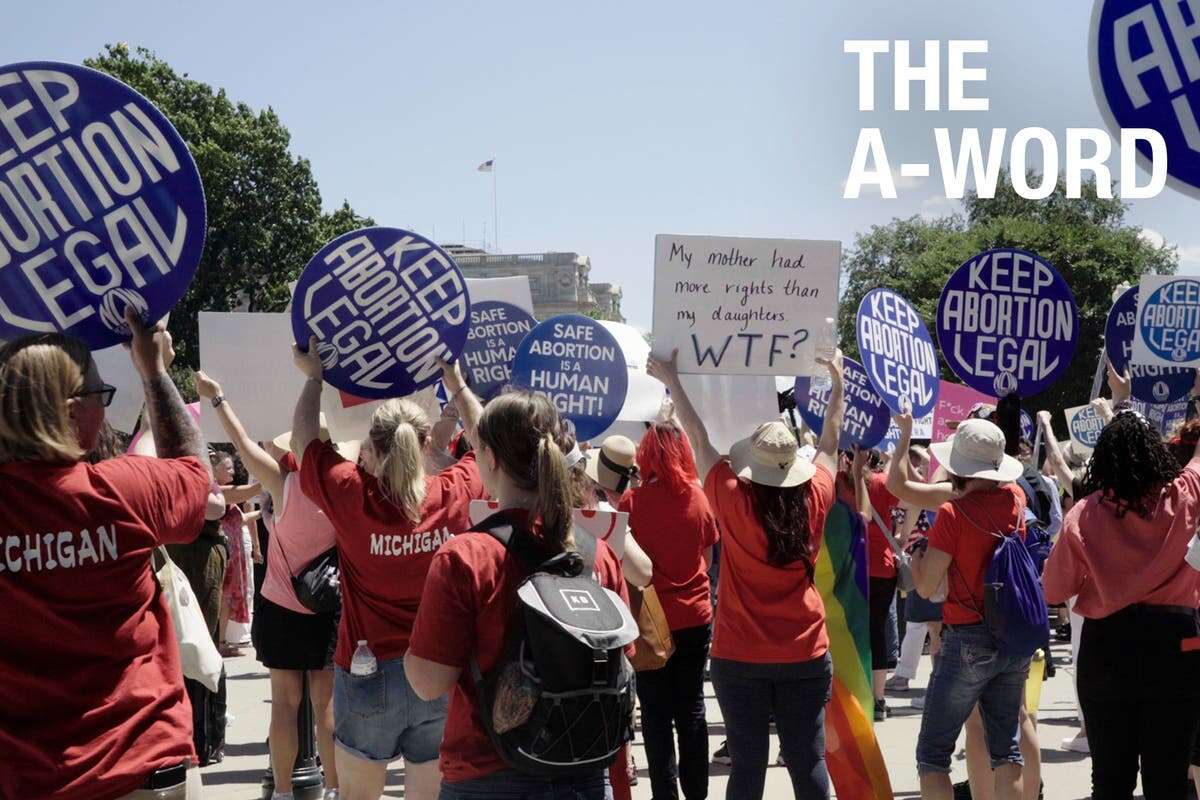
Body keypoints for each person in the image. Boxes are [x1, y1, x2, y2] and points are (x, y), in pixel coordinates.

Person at [0, 311, 212, 800]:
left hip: (28, 777)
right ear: (71, 410)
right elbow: (195, 474)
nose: (105, 408)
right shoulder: (121, 491)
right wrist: (153, 372)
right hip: (141, 763)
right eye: (102, 395)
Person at [405, 375, 631, 800]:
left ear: (488, 458)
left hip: (487, 774)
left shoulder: (464, 557)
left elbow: (428, 683)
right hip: (583, 770)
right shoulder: (597, 555)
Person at [290, 339, 486, 800]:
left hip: (366, 671)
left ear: (372, 453)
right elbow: (487, 442)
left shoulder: (350, 493)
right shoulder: (450, 493)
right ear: (423, 446)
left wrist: (314, 378)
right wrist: (455, 385)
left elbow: (303, 443)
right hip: (435, 669)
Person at [647, 347, 845, 800]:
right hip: (805, 652)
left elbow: (698, 440)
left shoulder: (730, 494)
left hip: (739, 656)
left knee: (747, 766)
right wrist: (837, 386)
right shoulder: (816, 494)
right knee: (808, 760)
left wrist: (674, 380)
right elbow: (831, 444)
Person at [1044, 383, 1200, 799]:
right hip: (1176, 646)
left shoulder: (1085, 512)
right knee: (1169, 778)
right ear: (1158, 451)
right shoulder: (1185, 496)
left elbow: (1054, 588)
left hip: (1108, 648)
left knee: (1110, 779)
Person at [195, 371, 342, 800]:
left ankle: (280, 791)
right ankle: (334, 789)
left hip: (279, 608)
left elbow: (240, 444)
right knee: (325, 707)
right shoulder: (343, 487)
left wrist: (218, 398)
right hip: (328, 607)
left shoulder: (284, 484)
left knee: (283, 706)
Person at [888, 412, 1031, 800]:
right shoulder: (1016, 498)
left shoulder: (953, 512)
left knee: (932, 757)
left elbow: (926, 583)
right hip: (1011, 635)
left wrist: (916, 554)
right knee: (1007, 752)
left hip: (967, 637)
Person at [622, 421, 720, 800]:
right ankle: (697, 794)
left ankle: (665, 795)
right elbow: (707, 556)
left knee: (657, 716)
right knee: (692, 709)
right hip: (695, 616)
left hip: (649, 623)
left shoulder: (632, 502)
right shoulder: (699, 499)